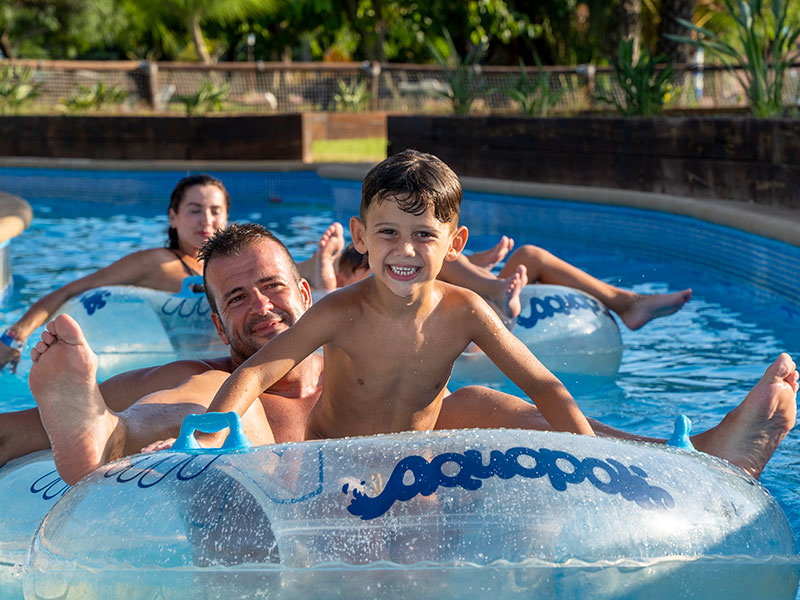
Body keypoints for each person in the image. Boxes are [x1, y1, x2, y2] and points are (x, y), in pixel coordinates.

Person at [20, 222, 798, 486]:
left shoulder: (374, 346)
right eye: (236, 301)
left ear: (306, 291)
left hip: (397, 516)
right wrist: (72, 414)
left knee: (476, 406)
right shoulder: (204, 370)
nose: (259, 308)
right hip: (254, 509)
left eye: (270, 289)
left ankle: (700, 457)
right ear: (220, 325)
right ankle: (108, 438)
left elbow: (539, 388)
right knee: (208, 405)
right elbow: (14, 433)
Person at [203, 150, 596, 445]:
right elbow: (254, 373)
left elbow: (544, 387)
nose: (405, 250)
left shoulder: (466, 312)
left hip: (411, 466)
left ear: (455, 243)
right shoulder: (340, 311)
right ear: (360, 237)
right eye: (388, 232)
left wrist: (589, 453)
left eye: (423, 235)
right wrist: (202, 444)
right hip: (330, 462)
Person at [0, 174, 230, 372]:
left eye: (215, 211)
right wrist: (15, 336)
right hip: (193, 371)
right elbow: (71, 290)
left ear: (227, 217)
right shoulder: (159, 262)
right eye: (195, 210)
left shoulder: (231, 264)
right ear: (173, 217)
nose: (207, 220)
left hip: (231, 364)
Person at [307, 221, 691, 328]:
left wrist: (475, 263)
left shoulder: (409, 276)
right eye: (360, 270)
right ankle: (489, 285)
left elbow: (423, 266)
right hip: (467, 321)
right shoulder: (339, 309)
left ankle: (625, 302)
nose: (401, 258)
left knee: (529, 255)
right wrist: (326, 271)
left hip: (480, 302)